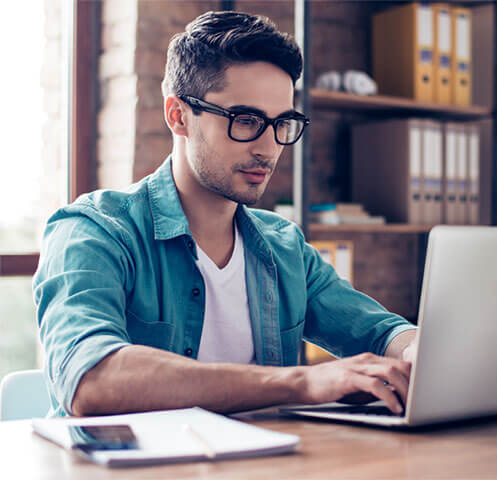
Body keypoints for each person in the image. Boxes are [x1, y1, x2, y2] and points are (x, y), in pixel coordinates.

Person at [33, 10, 417, 418]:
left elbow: (380, 331)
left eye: (281, 123)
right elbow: (91, 379)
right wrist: (301, 383)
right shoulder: (93, 231)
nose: (268, 148)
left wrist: (418, 350)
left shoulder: (284, 246)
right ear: (178, 116)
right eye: (246, 120)